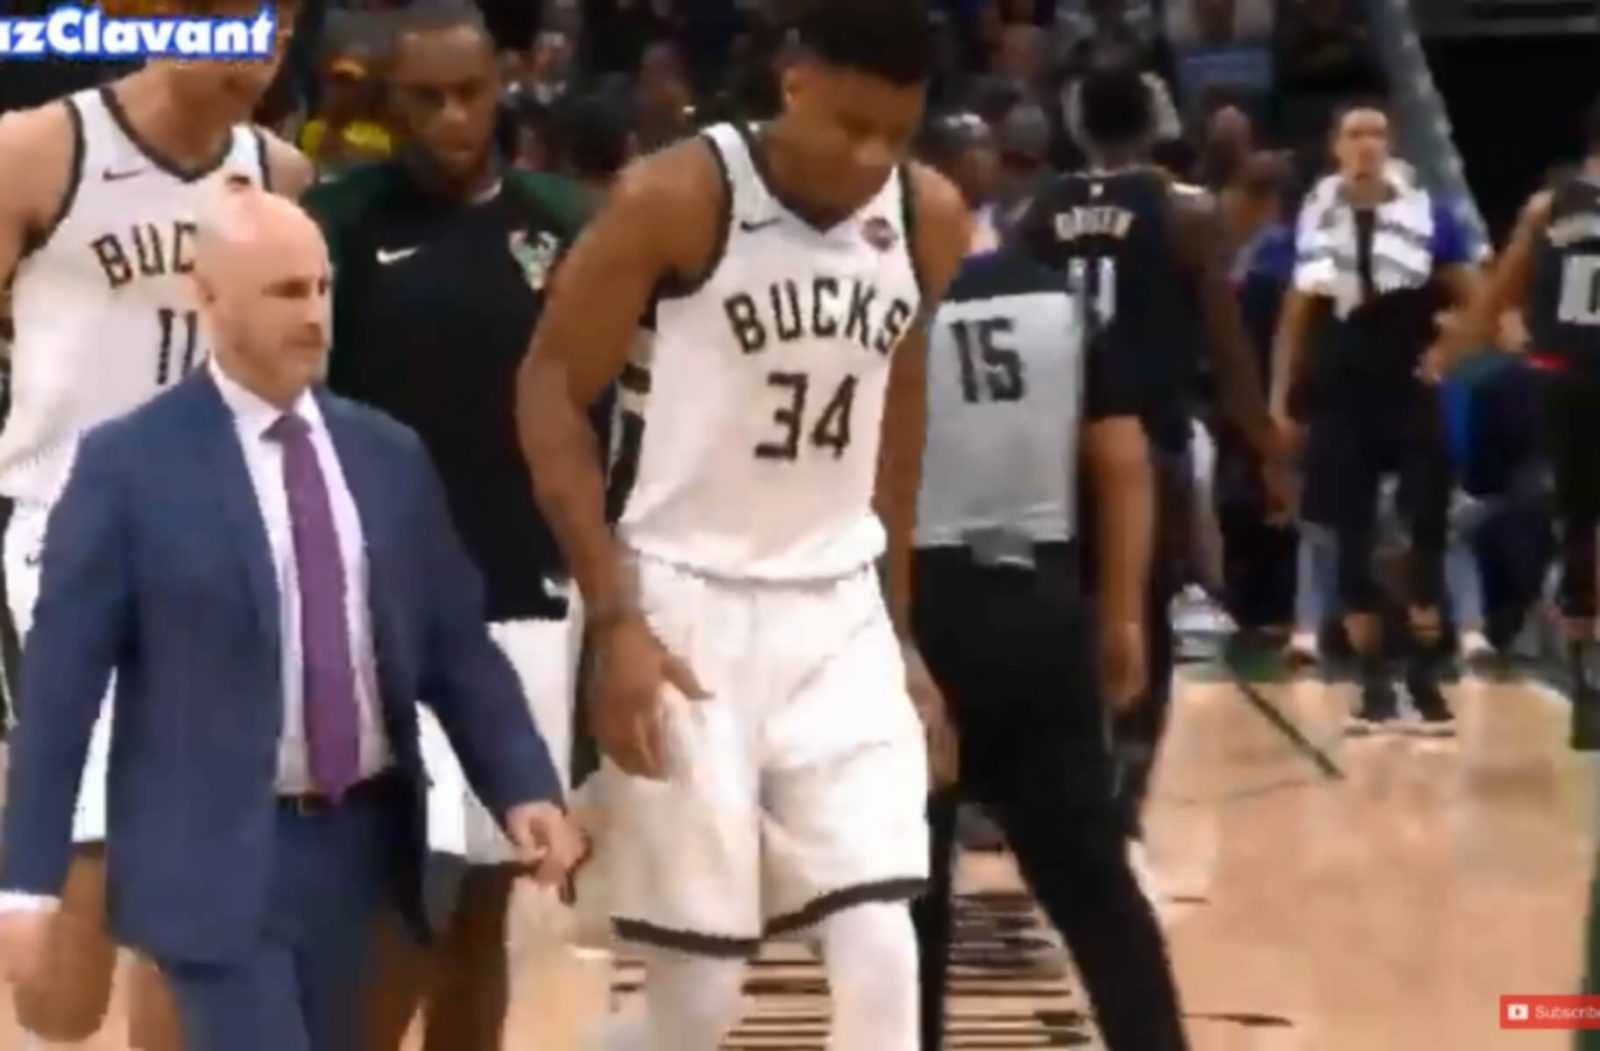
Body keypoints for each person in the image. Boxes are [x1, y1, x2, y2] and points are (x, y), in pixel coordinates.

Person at [0, 187, 586, 1051]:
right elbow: (59, 693)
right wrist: (26, 883)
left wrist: (523, 785)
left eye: (321, 288)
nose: (313, 314)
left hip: (365, 846)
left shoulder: (388, 455)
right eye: (285, 292)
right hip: (211, 853)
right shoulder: (127, 466)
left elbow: (455, 648)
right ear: (207, 297)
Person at [518, 0, 970, 1046]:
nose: (872, 157)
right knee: (699, 1001)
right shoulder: (676, 198)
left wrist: (901, 630)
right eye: (852, 125)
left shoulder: (929, 216)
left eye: (896, 133)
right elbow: (548, 389)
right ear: (794, 81)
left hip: (838, 606)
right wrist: (614, 617)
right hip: (682, 600)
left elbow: (895, 421)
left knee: (884, 950)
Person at [0, 5, 310, 1047]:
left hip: (224, 554)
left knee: (195, 896)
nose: (259, 55)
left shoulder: (278, 175)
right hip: (63, 538)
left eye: (280, 30)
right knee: (67, 985)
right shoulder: (37, 150)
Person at [300, 3, 597, 1047]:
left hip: (520, 595)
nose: (451, 117)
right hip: (370, 603)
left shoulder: (563, 221)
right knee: (396, 899)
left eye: (469, 93)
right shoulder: (338, 221)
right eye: (424, 98)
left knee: (482, 902)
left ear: (501, 87)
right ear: (388, 103)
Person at [908, 111, 1188, 1051]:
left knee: (905, 902)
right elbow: (1123, 460)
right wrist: (1125, 617)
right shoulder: (1055, 300)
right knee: (1094, 885)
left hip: (912, 605)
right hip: (1036, 602)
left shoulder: (870, 305)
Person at [1013, 63, 1286, 854]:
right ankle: (1126, 780)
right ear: (1156, 122)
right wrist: (1266, 446)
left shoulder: (1038, 209)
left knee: (1060, 608)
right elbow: (1227, 350)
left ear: (1077, 125)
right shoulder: (1186, 211)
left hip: (1051, 439)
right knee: (1143, 611)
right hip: (1148, 437)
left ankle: (1062, 778)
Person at [1270, 101, 1480, 735]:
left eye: (1378, 133)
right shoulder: (1314, 220)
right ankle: (1374, 684)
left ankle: (1425, 678)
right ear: (1335, 146)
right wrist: (1280, 398)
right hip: (1342, 394)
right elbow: (1295, 316)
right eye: (1355, 133)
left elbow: (1478, 297)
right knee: (1352, 545)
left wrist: (1446, 352)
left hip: (1409, 391)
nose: (1367, 143)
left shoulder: (1430, 216)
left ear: (1391, 144)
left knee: (1425, 538)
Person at [1434, 98, 1600, 749]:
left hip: (1561, 378)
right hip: (1576, 376)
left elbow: (1494, 297)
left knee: (1580, 527)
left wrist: (1451, 356)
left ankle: (1586, 672)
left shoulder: (1545, 208)